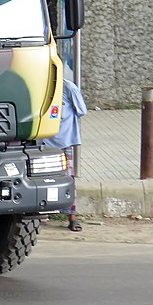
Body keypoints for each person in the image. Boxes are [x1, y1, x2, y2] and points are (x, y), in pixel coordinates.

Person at [44, 78, 88, 232]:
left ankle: (70, 216)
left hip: (53, 141)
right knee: (63, 178)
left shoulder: (67, 87)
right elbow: (81, 110)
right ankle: (65, 217)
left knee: (61, 179)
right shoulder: (67, 87)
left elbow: (82, 110)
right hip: (53, 140)